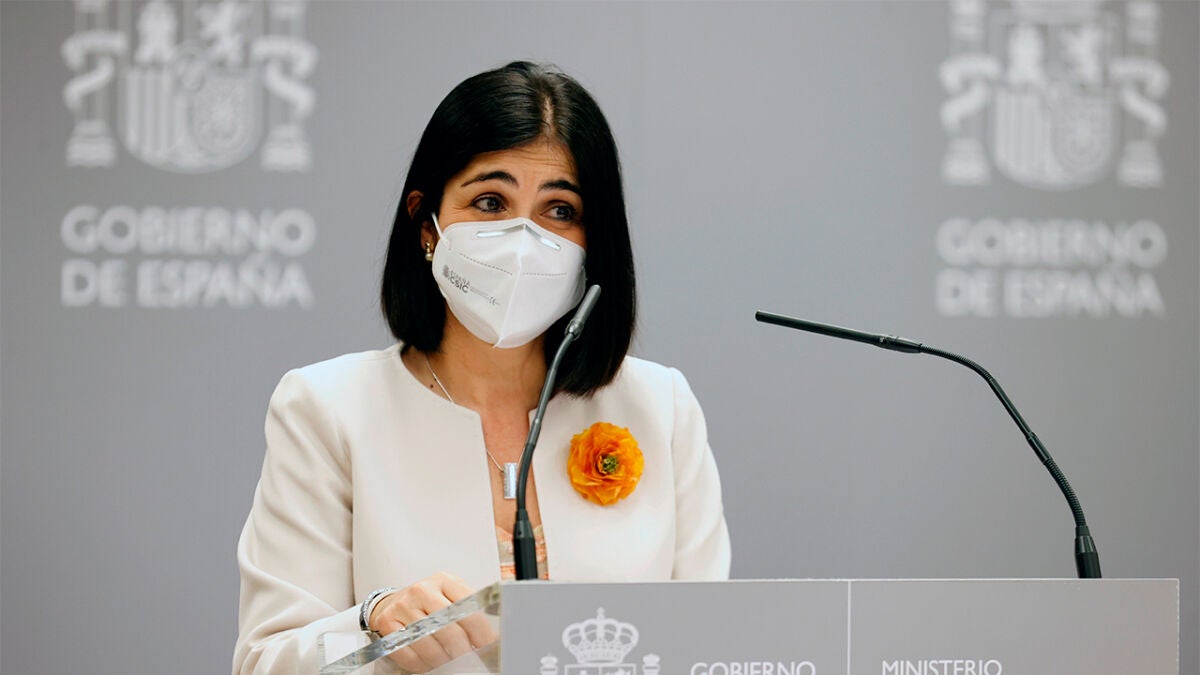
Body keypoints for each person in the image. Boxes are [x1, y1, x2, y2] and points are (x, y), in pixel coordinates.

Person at [233, 61, 730, 674]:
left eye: (560, 210)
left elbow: (713, 650)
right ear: (427, 225)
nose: (523, 240)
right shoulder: (327, 408)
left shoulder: (661, 408)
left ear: (594, 240)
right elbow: (266, 663)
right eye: (491, 202)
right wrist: (372, 625)